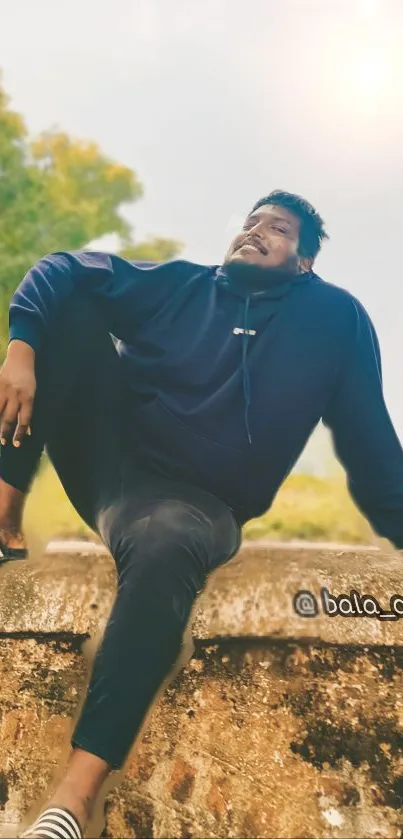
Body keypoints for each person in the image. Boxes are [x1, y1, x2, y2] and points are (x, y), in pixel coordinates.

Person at [1, 189, 403, 838]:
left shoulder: (333, 319)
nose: (255, 231)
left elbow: (371, 448)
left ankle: (70, 802)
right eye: (250, 222)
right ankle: (3, 516)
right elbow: (61, 266)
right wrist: (21, 349)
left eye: (275, 228)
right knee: (66, 311)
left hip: (197, 504)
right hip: (112, 467)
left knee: (166, 540)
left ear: (302, 260)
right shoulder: (182, 285)